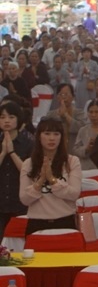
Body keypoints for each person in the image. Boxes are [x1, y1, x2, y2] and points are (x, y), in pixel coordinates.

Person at [19, 119, 82, 235]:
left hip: (65, 222)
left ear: (61, 137)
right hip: (36, 224)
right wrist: (41, 180)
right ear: (38, 136)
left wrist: (52, 179)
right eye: (47, 134)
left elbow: (74, 194)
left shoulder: (72, 161)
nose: (52, 138)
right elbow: (24, 199)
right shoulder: (28, 164)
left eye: (56, 134)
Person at [0, 101, 33, 239]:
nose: (6, 120)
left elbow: (29, 173)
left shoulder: (28, 143)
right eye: (2, 117)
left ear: (18, 119)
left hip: (20, 203)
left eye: (11, 117)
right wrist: (3, 152)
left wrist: (12, 152)